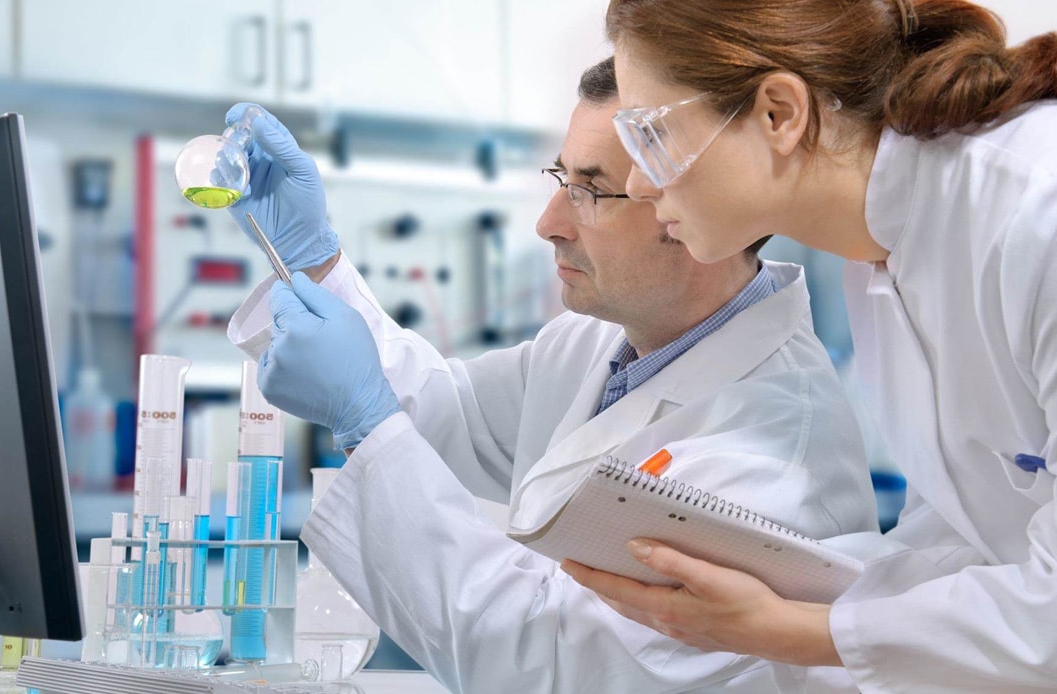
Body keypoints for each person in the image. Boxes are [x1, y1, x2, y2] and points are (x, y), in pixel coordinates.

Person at [226, 58, 876, 692]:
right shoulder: (597, 342)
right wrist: (311, 263)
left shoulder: (771, 467)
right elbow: (449, 418)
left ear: (702, 208)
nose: (549, 224)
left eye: (590, 192)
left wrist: (365, 421)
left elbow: (544, 665)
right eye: (560, 178)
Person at [561, 1, 1057, 691]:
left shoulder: (1055, 215)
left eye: (651, 135)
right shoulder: (882, 255)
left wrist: (788, 630)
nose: (636, 182)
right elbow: (971, 537)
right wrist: (773, 587)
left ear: (779, 113)